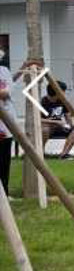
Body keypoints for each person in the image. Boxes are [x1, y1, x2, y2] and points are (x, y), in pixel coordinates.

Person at [0, 59, 13, 193]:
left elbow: (6, 92)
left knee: (4, 161)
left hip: (4, 123)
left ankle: (5, 192)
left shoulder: (4, 71)